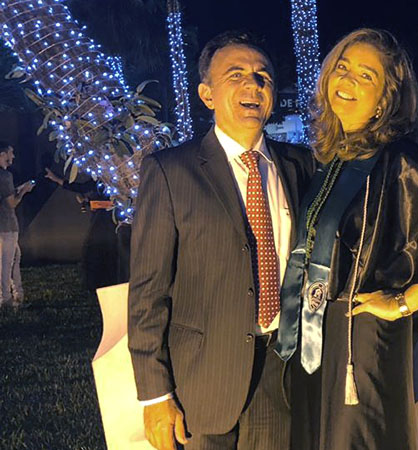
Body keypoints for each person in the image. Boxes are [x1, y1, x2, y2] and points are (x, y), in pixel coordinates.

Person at [276, 28, 418, 450]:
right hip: (317, 337)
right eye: (342, 67)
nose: (347, 80)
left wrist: (402, 303)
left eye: (366, 76)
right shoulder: (333, 159)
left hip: (361, 342)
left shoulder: (399, 161)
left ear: (385, 99)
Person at [127, 31, 315, 450]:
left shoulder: (300, 165)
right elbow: (147, 291)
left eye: (263, 76)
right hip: (201, 381)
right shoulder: (170, 172)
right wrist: (155, 395)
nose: (253, 84)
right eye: (236, 75)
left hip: (280, 375)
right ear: (207, 94)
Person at [0, 142, 34, 308]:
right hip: (6, 225)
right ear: (2, 155)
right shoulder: (5, 176)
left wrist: (17, 189)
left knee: (14, 257)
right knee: (6, 263)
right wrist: (23, 191)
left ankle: (17, 295)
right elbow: (11, 203)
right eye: (10, 153)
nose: (13, 156)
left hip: (4, 225)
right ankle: (6, 300)